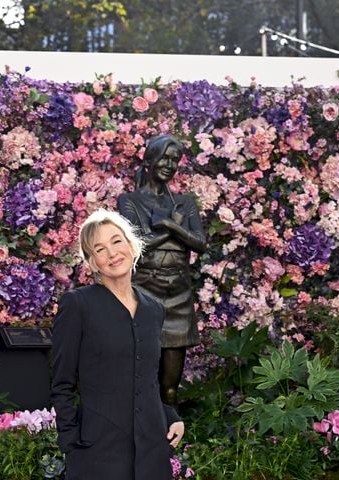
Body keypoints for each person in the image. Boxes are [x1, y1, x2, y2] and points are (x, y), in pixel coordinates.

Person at [51, 209, 185, 480]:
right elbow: (61, 383)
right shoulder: (78, 305)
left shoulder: (154, 310)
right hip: (98, 451)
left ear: (131, 245)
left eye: (116, 241)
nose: (112, 253)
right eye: (100, 249)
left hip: (152, 450)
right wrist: (71, 443)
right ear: (93, 263)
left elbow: (146, 380)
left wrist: (170, 417)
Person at [117, 134, 207, 408]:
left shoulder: (184, 203)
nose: (169, 165)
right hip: (144, 293)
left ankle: (170, 433)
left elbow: (200, 243)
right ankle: (141, 431)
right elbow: (137, 244)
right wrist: (178, 233)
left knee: (170, 389)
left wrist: (168, 225)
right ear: (149, 160)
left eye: (174, 160)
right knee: (141, 383)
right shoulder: (129, 201)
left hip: (178, 295)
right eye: (164, 158)